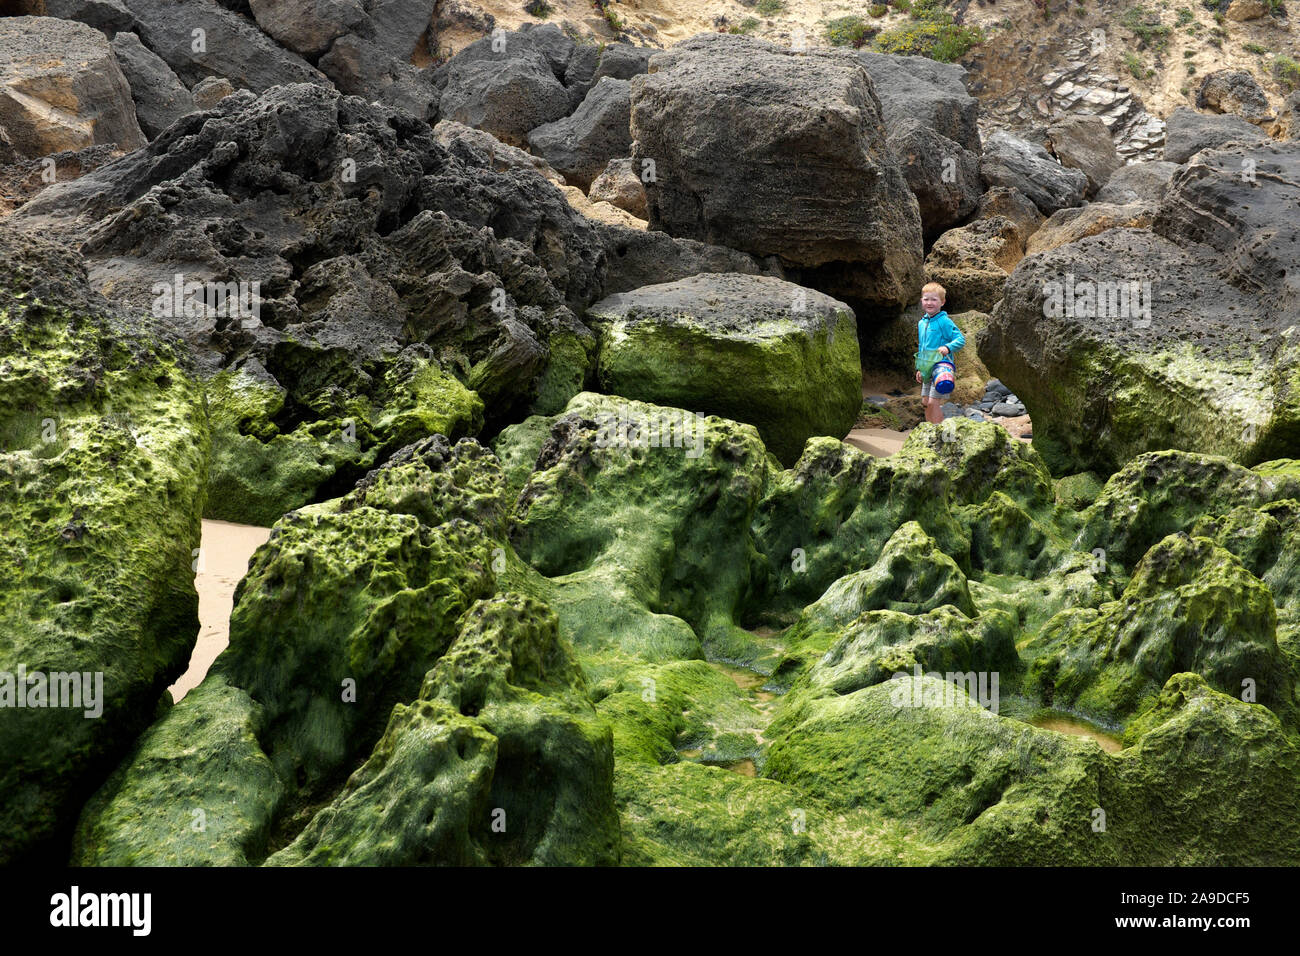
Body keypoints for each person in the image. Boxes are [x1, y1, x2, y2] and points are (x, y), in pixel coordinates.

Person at [913, 282, 965, 425]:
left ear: (942, 302)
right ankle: (929, 428)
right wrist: (920, 368)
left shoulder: (944, 321)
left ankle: (938, 429)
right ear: (921, 301)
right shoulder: (921, 323)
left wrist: (947, 348)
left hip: (941, 368)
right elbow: (922, 347)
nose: (929, 302)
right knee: (925, 402)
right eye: (926, 299)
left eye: (934, 299)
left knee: (932, 402)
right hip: (926, 367)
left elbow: (960, 339)